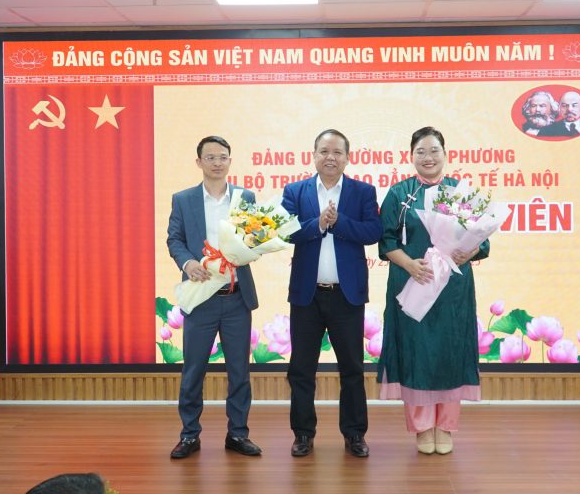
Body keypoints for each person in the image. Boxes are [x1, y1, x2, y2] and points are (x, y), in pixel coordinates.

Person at [377, 126, 490, 455]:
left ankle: (446, 426)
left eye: (434, 151)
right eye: (421, 152)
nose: (428, 157)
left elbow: (483, 240)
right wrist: (410, 264)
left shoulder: (460, 192)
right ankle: (423, 428)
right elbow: (385, 241)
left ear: (445, 154)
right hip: (413, 283)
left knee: (450, 352)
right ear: (411, 156)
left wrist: (468, 250)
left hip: (453, 289)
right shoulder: (399, 194)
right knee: (417, 354)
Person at [281, 129, 383, 458]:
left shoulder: (362, 191)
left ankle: (355, 434)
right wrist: (318, 224)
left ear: (347, 158)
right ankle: (302, 434)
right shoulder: (295, 191)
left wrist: (338, 223)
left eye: (337, 152)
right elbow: (284, 232)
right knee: (301, 370)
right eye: (324, 151)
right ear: (313, 155)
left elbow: (374, 231)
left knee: (352, 369)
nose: (331, 157)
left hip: (346, 296)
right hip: (306, 295)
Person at [166, 135, 262, 459]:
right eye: (210, 157)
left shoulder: (245, 197)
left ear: (230, 161)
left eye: (223, 157)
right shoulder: (183, 199)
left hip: (236, 298)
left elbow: (255, 239)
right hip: (201, 298)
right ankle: (189, 435)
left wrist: (253, 246)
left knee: (239, 371)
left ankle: (238, 434)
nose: (217, 163)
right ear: (199, 162)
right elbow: (174, 239)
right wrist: (188, 262)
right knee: (194, 370)